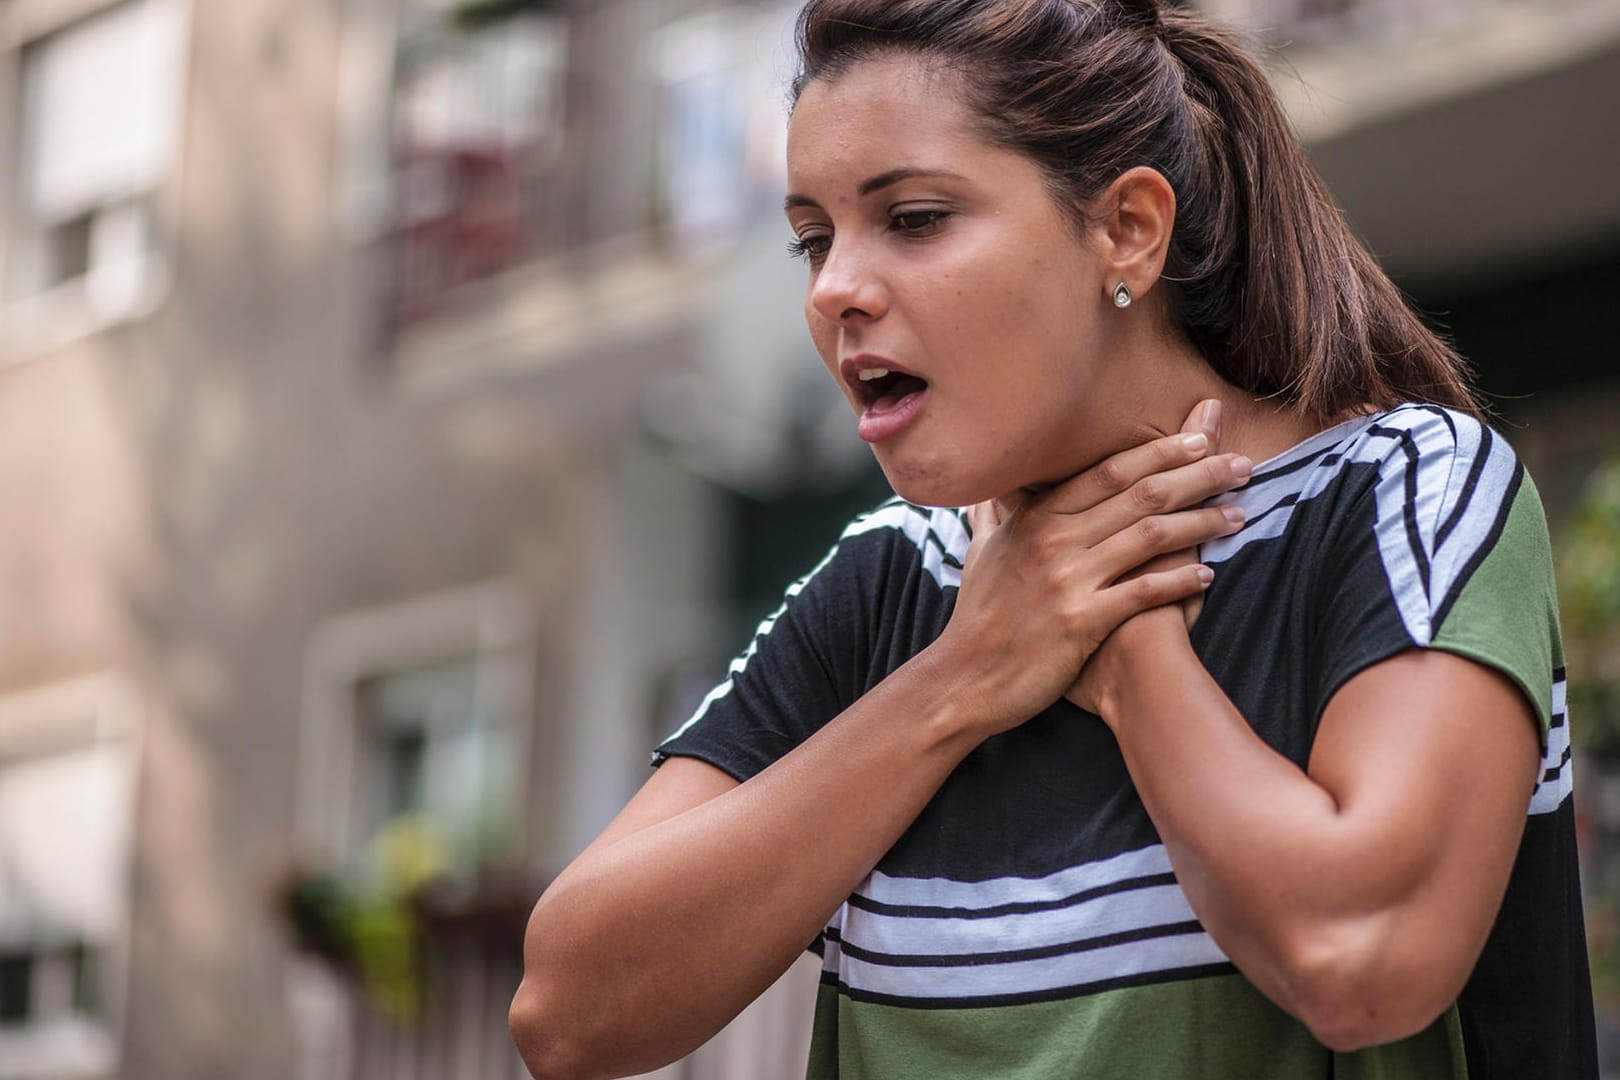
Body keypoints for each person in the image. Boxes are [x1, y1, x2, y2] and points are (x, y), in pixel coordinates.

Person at [509, 0, 1598, 1076]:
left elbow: (1361, 960)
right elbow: (564, 1012)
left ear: (1126, 228)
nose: (836, 287)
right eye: (813, 238)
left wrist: (1127, 651)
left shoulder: (1405, 492)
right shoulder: (894, 577)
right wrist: (966, 674)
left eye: (916, 217)